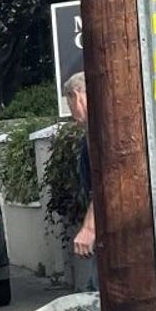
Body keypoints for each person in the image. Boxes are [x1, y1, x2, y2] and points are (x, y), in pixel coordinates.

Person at [63, 72, 95, 260]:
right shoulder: (92, 131)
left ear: (75, 95)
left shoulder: (101, 131)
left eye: (69, 105)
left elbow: (106, 182)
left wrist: (90, 227)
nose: (71, 112)